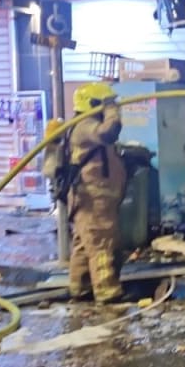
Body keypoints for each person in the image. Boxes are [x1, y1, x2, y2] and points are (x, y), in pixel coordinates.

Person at [64, 82, 126, 303]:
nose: (113, 106)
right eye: (107, 102)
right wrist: (112, 110)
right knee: (101, 243)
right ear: (94, 104)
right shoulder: (85, 125)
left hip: (91, 197)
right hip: (92, 197)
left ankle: (80, 287)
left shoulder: (81, 126)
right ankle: (107, 291)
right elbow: (109, 133)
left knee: (85, 243)